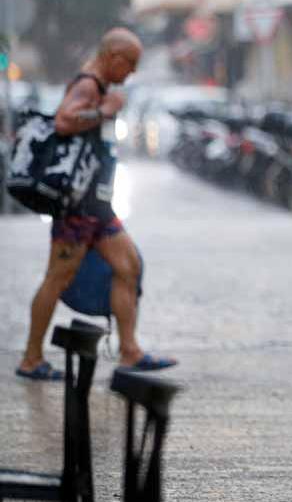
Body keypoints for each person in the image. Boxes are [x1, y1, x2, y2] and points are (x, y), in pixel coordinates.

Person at [15, 28, 177, 381]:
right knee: (57, 278)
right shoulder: (88, 85)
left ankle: (130, 351)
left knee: (129, 266)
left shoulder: (99, 85)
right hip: (77, 208)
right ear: (113, 57)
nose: (131, 73)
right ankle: (31, 358)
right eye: (129, 64)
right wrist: (103, 110)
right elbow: (63, 120)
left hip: (97, 207)